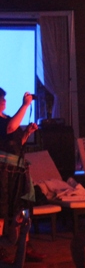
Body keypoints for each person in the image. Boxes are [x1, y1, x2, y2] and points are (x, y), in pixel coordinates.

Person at [0, 89, 38, 249]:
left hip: (16, 170)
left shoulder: (8, 118)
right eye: (0, 98)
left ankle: (24, 248)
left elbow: (16, 144)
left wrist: (27, 132)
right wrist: (25, 105)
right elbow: (10, 128)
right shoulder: (6, 122)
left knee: (20, 209)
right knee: (1, 209)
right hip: (3, 172)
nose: (3, 101)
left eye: (3, 98)